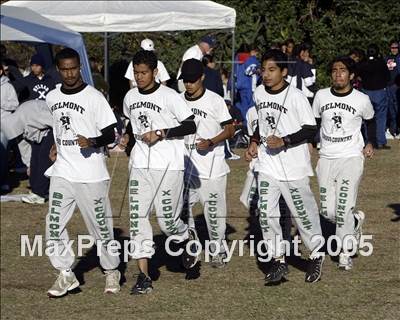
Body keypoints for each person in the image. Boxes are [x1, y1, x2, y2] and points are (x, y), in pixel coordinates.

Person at [44, 48, 121, 297]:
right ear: (59, 70)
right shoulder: (52, 97)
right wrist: (55, 145)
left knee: (100, 227)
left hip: (91, 174)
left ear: (80, 67)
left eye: (73, 68)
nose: (69, 73)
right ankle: (65, 273)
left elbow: (112, 133)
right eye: (64, 69)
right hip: (63, 171)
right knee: (53, 223)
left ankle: (111, 270)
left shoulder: (94, 97)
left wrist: (93, 141)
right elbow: (57, 126)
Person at [122, 50, 198, 295]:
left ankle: (186, 237)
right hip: (140, 166)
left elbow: (190, 124)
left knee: (167, 222)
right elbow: (129, 121)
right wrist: (126, 137)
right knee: (137, 219)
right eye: (136, 73)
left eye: (144, 73)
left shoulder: (170, 96)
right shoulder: (130, 96)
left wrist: (161, 132)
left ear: (155, 72)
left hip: (169, 165)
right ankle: (143, 277)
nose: (140, 77)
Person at [246, 49, 324, 285]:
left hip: (294, 167)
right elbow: (261, 122)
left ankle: (317, 254)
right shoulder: (259, 93)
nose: (266, 75)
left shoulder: (296, 97)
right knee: (266, 213)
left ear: (284, 72)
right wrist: (254, 141)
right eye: (264, 70)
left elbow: (311, 129)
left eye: (272, 70)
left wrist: (285, 140)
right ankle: (278, 260)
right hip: (268, 164)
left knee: (303, 215)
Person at [312, 56, 375, 270]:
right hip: (327, 157)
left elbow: (370, 120)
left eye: (343, 70)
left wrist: (369, 142)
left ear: (351, 75)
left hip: (351, 157)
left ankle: (345, 252)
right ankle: (355, 222)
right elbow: (316, 123)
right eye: (334, 70)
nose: (338, 74)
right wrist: (313, 143)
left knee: (343, 207)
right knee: (327, 211)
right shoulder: (320, 96)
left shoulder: (361, 99)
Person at [180, 59, 235, 267]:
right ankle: (191, 242)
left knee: (214, 215)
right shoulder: (177, 100)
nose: (189, 85)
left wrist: (211, 141)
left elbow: (230, 129)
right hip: (186, 169)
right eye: (185, 80)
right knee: (181, 208)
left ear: (202, 77)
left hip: (212, 169)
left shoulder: (215, 101)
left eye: (192, 80)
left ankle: (218, 248)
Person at [1, 100, 54, 204]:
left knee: (44, 159)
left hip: (54, 129)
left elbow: (55, 122)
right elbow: (24, 147)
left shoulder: (31, 114)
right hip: (41, 133)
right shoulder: (16, 127)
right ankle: (36, 190)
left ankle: (40, 194)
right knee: (34, 160)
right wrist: (29, 165)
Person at [357, 44, 391, 149]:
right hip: (380, 91)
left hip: (366, 92)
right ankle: (380, 142)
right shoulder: (381, 63)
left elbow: (358, 75)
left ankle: (369, 141)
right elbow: (388, 77)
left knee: (367, 118)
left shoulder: (363, 63)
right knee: (380, 118)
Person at [0, 63, 19, 192]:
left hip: (3, 123)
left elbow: (15, 104)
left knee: (2, 154)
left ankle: (3, 181)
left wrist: (3, 104)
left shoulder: (7, 86)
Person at [385, 40, 400, 138]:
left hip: (398, 86)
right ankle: (392, 129)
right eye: (392, 47)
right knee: (390, 109)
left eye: (396, 48)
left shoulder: (399, 58)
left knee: (398, 108)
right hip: (388, 87)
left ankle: (397, 129)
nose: (394, 49)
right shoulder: (386, 58)